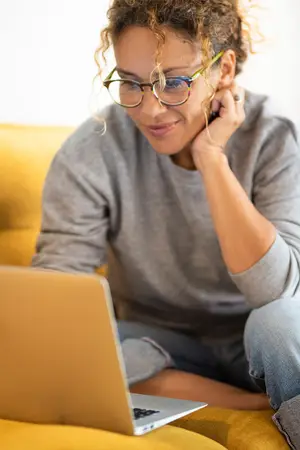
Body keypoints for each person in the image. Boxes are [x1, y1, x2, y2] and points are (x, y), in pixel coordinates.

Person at [32, 0, 300, 446]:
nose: (151, 110)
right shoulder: (91, 151)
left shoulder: (272, 140)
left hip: (261, 342)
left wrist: (211, 158)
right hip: (158, 347)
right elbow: (56, 296)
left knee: (281, 324)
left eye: (174, 82)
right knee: (69, 349)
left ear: (225, 69)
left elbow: (275, 292)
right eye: (131, 84)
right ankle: (251, 400)